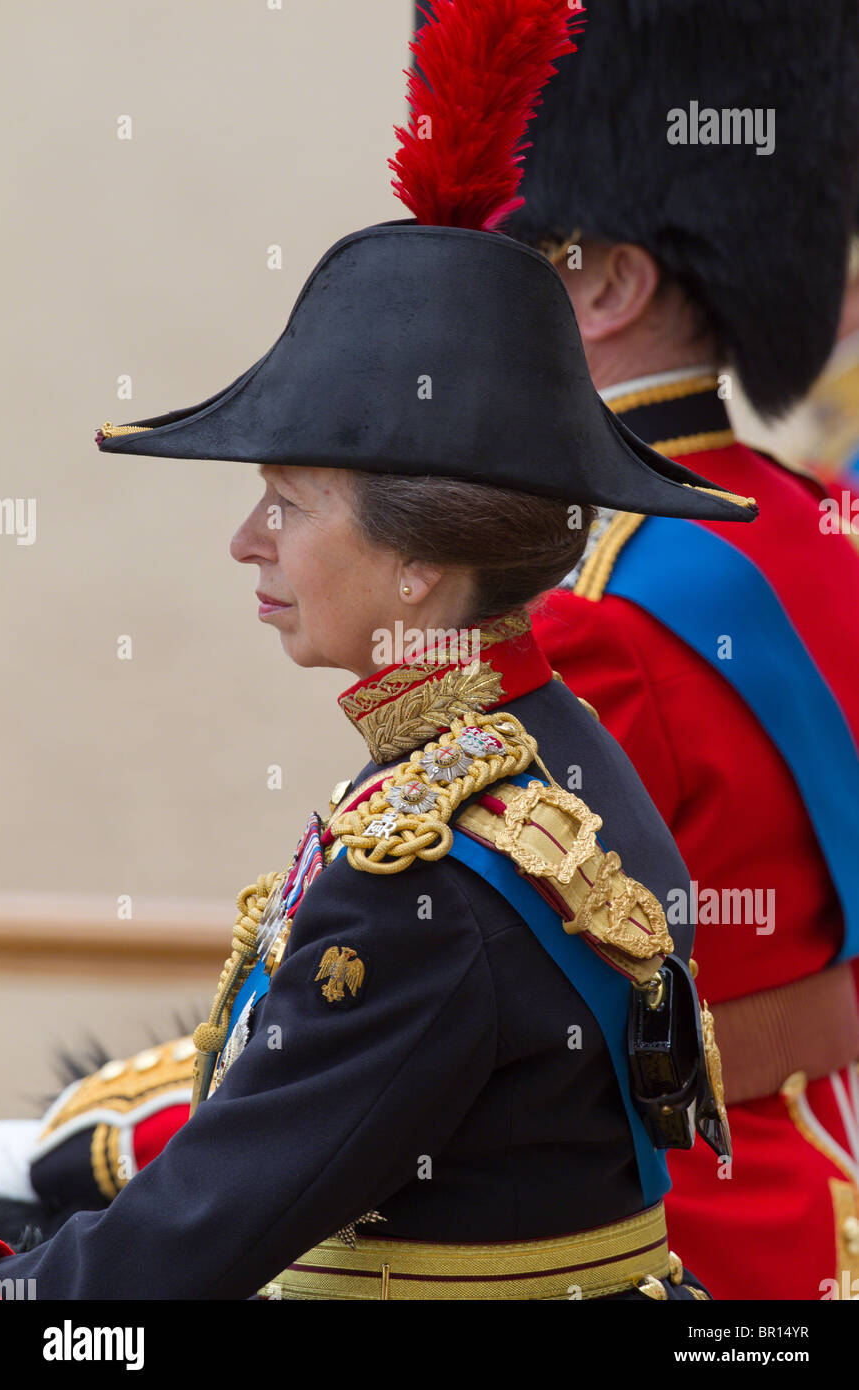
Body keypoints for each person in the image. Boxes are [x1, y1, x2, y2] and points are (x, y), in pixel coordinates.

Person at [0, 0, 748, 1301]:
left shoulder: (426, 871)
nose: (245, 541)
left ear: (417, 566)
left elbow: (175, 1260)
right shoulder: (538, 753)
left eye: (286, 501)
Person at [501, 0, 859, 1300]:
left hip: (677, 1240)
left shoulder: (583, 607)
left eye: (506, 254)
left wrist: (116, 1141)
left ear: (605, 279)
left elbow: (489, 1033)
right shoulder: (817, 524)